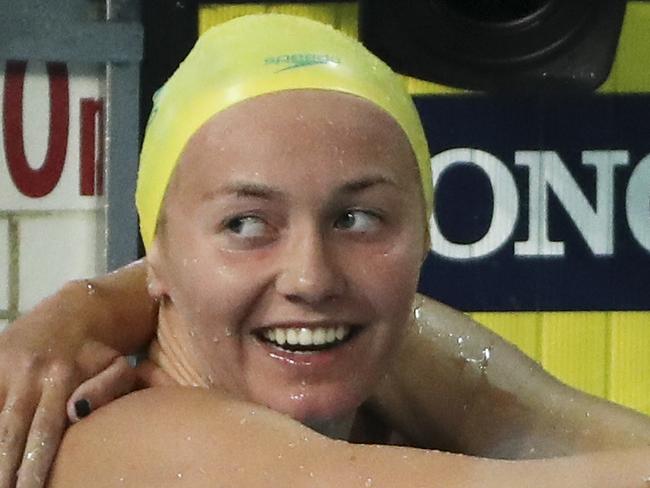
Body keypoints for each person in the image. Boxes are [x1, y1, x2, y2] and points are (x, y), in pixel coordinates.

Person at [2, 14, 649, 488]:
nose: (310, 277)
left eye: (358, 218)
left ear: (423, 236)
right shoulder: (133, 444)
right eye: (246, 225)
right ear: (160, 255)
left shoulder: (381, 416)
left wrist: (96, 303)